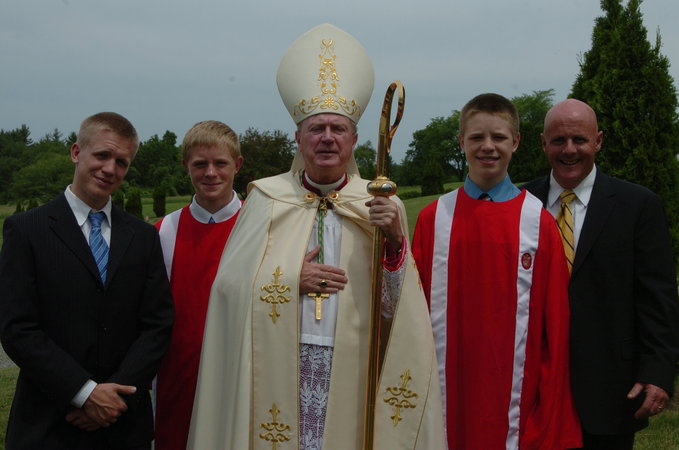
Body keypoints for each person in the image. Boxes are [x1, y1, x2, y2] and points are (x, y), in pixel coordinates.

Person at [188, 23, 444, 449]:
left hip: (355, 360)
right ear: (298, 138)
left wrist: (395, 243)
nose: (327, 138)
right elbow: (228, 290)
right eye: (316, 128)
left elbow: (397, 308)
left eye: (338, 129)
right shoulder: (266, 198)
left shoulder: (381, 203)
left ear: (354, 139)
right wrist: (291, 280)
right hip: (278, 358)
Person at [412, 93, 582, 449]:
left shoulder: (539, 223)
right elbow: (410, 313)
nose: (488, 146)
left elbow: (555, 326)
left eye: (499, 137)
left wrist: (549, 408)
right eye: (476, 137)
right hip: (447, 390)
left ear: (515, 142)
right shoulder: (433, 219)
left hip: (516, 397)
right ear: (461, 142)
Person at [0, 112, 174, 449]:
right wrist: (84, 392)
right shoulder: (27, 230)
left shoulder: (142, 237)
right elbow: (17, 328)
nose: (110, 169)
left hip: (124, 425)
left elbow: (158, 324)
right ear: (76, 152)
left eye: (121, 162)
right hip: (50, 421)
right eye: (102, 155)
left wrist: (117, 397)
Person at [523, 98, 679, 450]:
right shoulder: (520, 204)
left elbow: (658, 298)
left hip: (609, 385)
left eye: (579, 139)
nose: (569, 150)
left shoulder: (638, 206)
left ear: (598, 141)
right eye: (559, 140)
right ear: (543, 143)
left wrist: (657, 372)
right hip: (532, 386)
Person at [153, 120, 243, 450]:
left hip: (239, 371)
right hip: (179, 376)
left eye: (220, 163)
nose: (211, 173)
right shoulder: (163, 231)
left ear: (237, 165)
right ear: (185, 166)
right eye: (200, 164)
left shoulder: (262, 226)